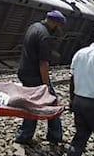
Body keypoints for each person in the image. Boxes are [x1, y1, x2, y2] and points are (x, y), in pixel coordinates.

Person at [15, 10, 66, 144]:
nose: (59, 28)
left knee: (32, 103)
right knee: (51, 102)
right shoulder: (44, 36)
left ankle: (25, 134)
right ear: (55, 22)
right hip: (35, 75)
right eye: (59, 25)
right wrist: (46, 85)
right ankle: (52, 135)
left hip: (24, 71)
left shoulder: (34, 26)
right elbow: (43, 63)